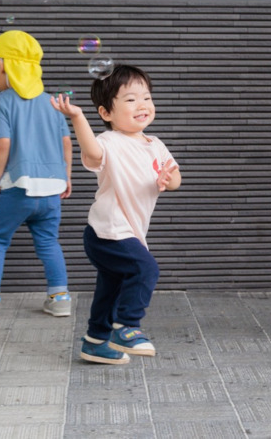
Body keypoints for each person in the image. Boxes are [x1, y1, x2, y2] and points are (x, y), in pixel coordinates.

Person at [52, 63, 180, 364]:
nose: (143, 105)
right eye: (131, 99)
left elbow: (175, 177)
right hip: (107, 231)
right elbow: (94, 154)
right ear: (106, 113)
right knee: (145, 269)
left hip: (127, 231)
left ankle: (95, 341)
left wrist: (167, 179)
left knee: (111, 286)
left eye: (146, 97)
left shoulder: (156, 145)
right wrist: (78, 118)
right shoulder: (110, 142)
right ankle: (126, 326)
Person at [0, 30, 74, 319]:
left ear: (2, 65)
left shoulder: (2, 101)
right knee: (49, 242)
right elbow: (66, 143)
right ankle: (60, 297)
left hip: (18, 186)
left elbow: (3, 143)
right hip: (52, 189)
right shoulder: (53, 103)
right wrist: (67, 177)